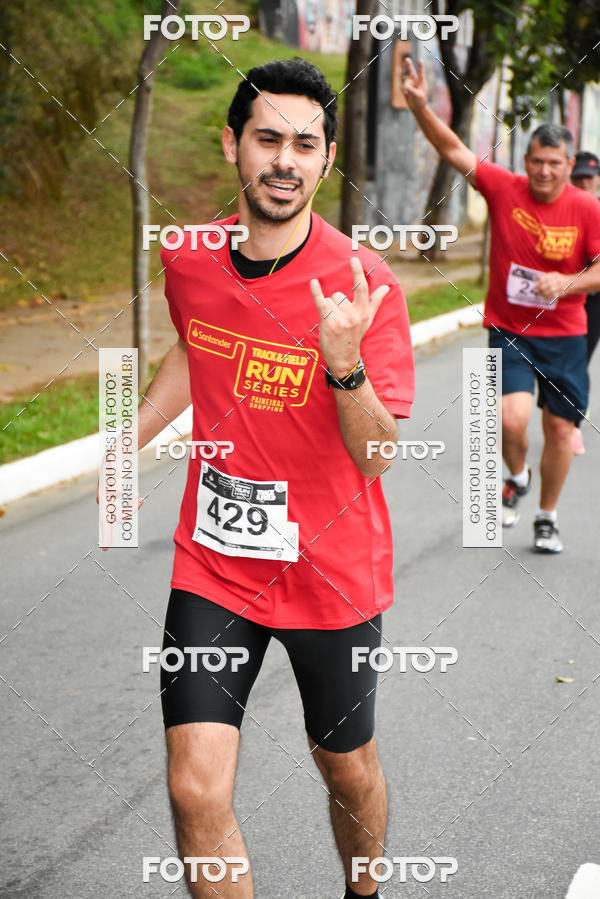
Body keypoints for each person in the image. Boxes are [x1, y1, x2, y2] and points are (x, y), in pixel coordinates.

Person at [135, 58, 414, 897]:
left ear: (327, 160)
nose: (284, 160)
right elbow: (198, 346)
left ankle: (363, 889)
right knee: (194, 785)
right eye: (267, 139)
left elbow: (378, 455)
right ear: (233, 145)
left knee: (348, 768)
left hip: (331, 572)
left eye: (304, 143)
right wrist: (128, 435)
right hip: (215, 563)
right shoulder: (189, 259)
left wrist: (343, 366)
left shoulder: (365, 287)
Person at [403, 58, 600, 553]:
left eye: (555, 163)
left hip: (566, 336)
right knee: (511, 420)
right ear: (526, 159)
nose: (544, 171)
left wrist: (568, 284)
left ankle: (547, 517)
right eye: (537, 160)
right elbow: (451, 148)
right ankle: (518, 473)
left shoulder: (587, 209)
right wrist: (421, 105)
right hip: (510, 329)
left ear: (568, 164)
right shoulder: (503, 187)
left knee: (558, 429)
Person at [570, 150, 600, 455]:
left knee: (579, 359)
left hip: (593, 301)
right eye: (578, 177)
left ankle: (573, 423)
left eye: (588, 178)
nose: (583, 182)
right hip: (558, 299)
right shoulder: (561, 209)